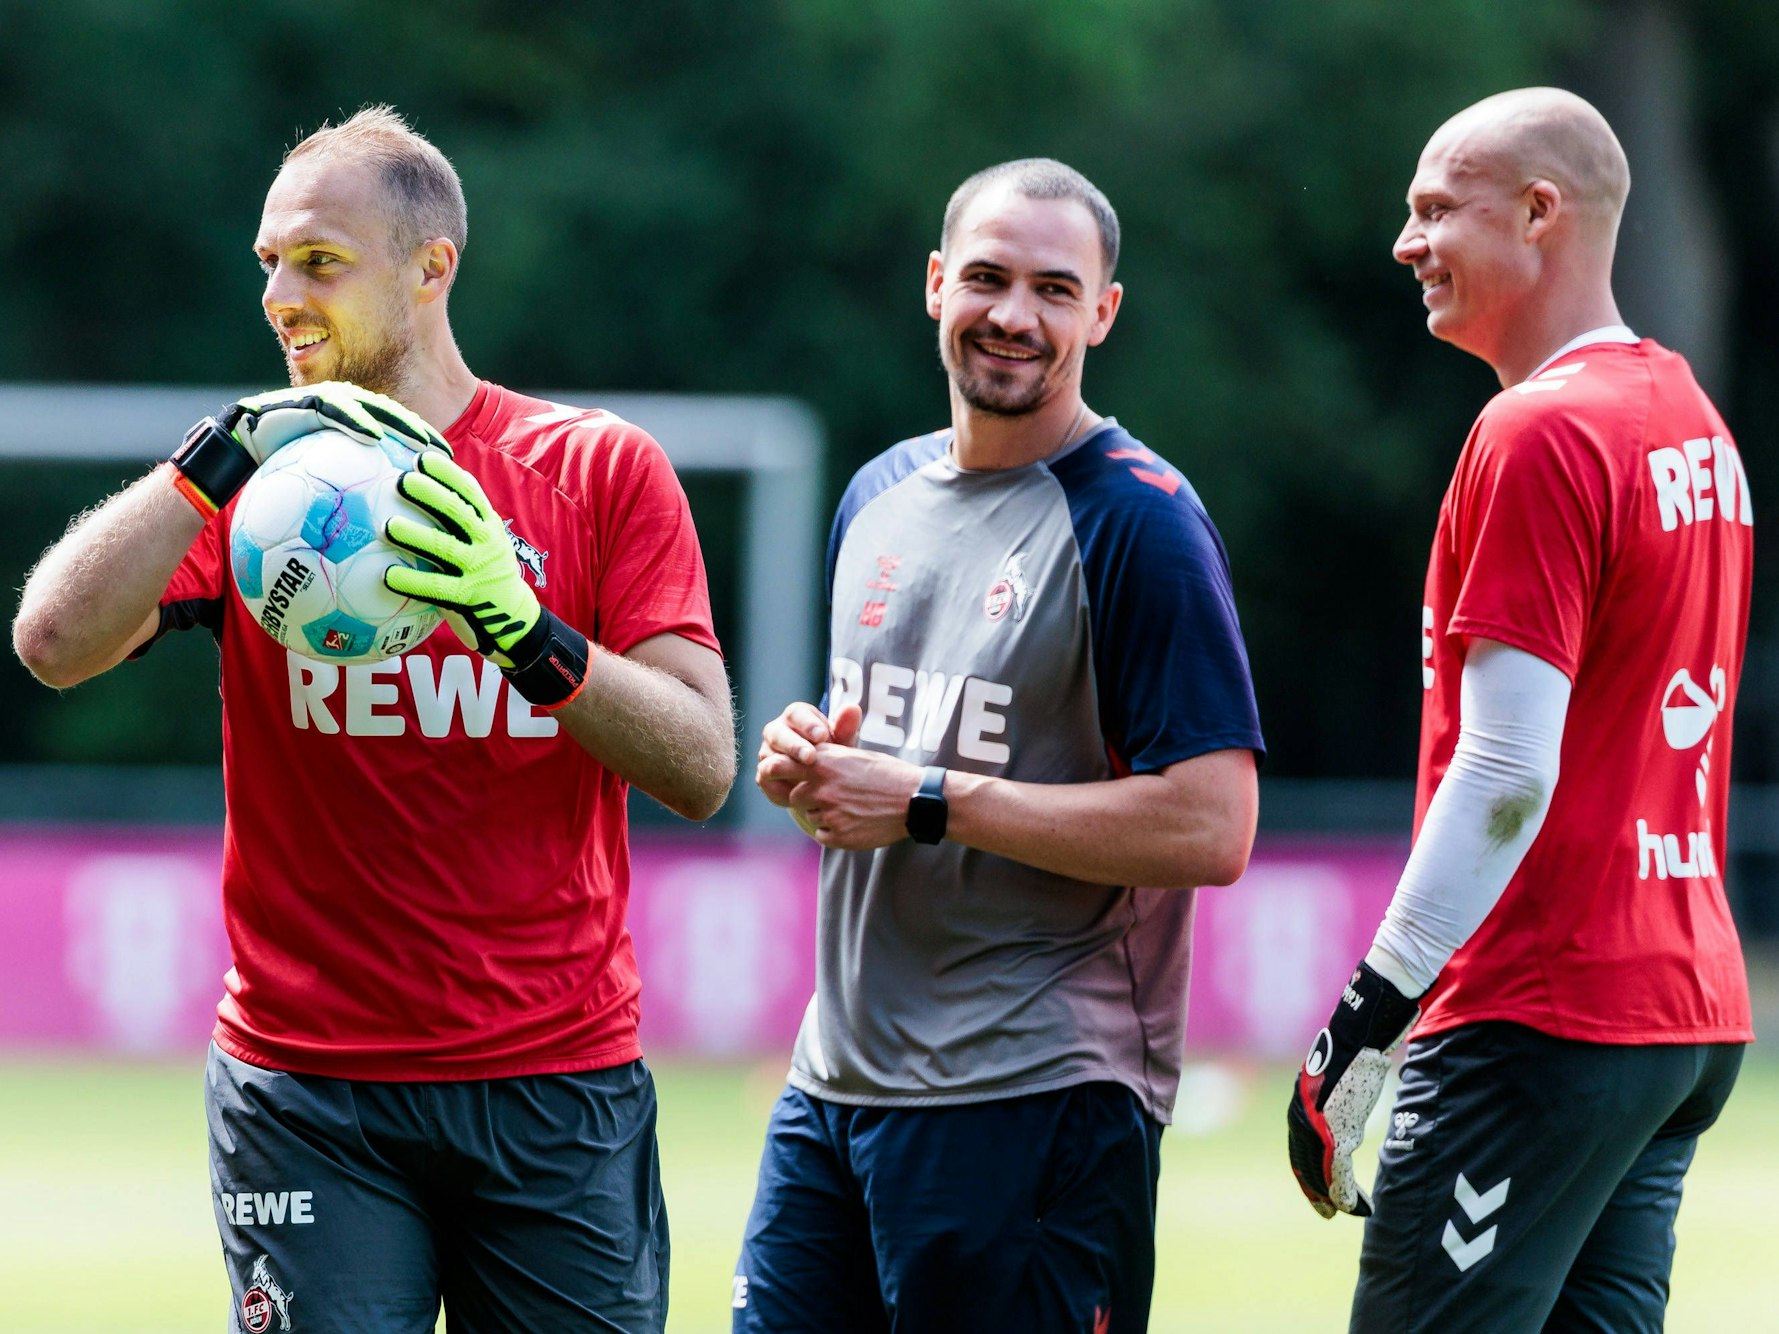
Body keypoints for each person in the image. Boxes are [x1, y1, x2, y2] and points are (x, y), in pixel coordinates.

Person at [11, 106, 736, 1332]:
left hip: (553, 1080)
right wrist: (206, 466)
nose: (282, 295)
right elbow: (51, 644)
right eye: (269, 264)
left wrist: (531, 636)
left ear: (430, 267)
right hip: (307, 1089)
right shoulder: (254, 482)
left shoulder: (598, 468)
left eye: (320, 261)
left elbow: (703, 765)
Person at [737, 158, 1264, 1334]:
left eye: (1052, 288)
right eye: (985, 277)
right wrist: (810, 757)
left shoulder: (1141, 521)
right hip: (834, 1085)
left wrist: (929, 797)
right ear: (936, 285)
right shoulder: (877, 491)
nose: (1013, 315)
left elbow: (1212, 824)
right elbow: (892, 750)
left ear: (1102, 313)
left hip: (1033, 1091)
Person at [1286, 88, 1753, 1332]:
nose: (1405, 242)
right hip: (1682, 1011)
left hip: (1542, 1012)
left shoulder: (1539, 429)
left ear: (1541, 213)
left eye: (1437, 209)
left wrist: (1365, 1022)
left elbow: (1503, 770)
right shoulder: (1696, 422)